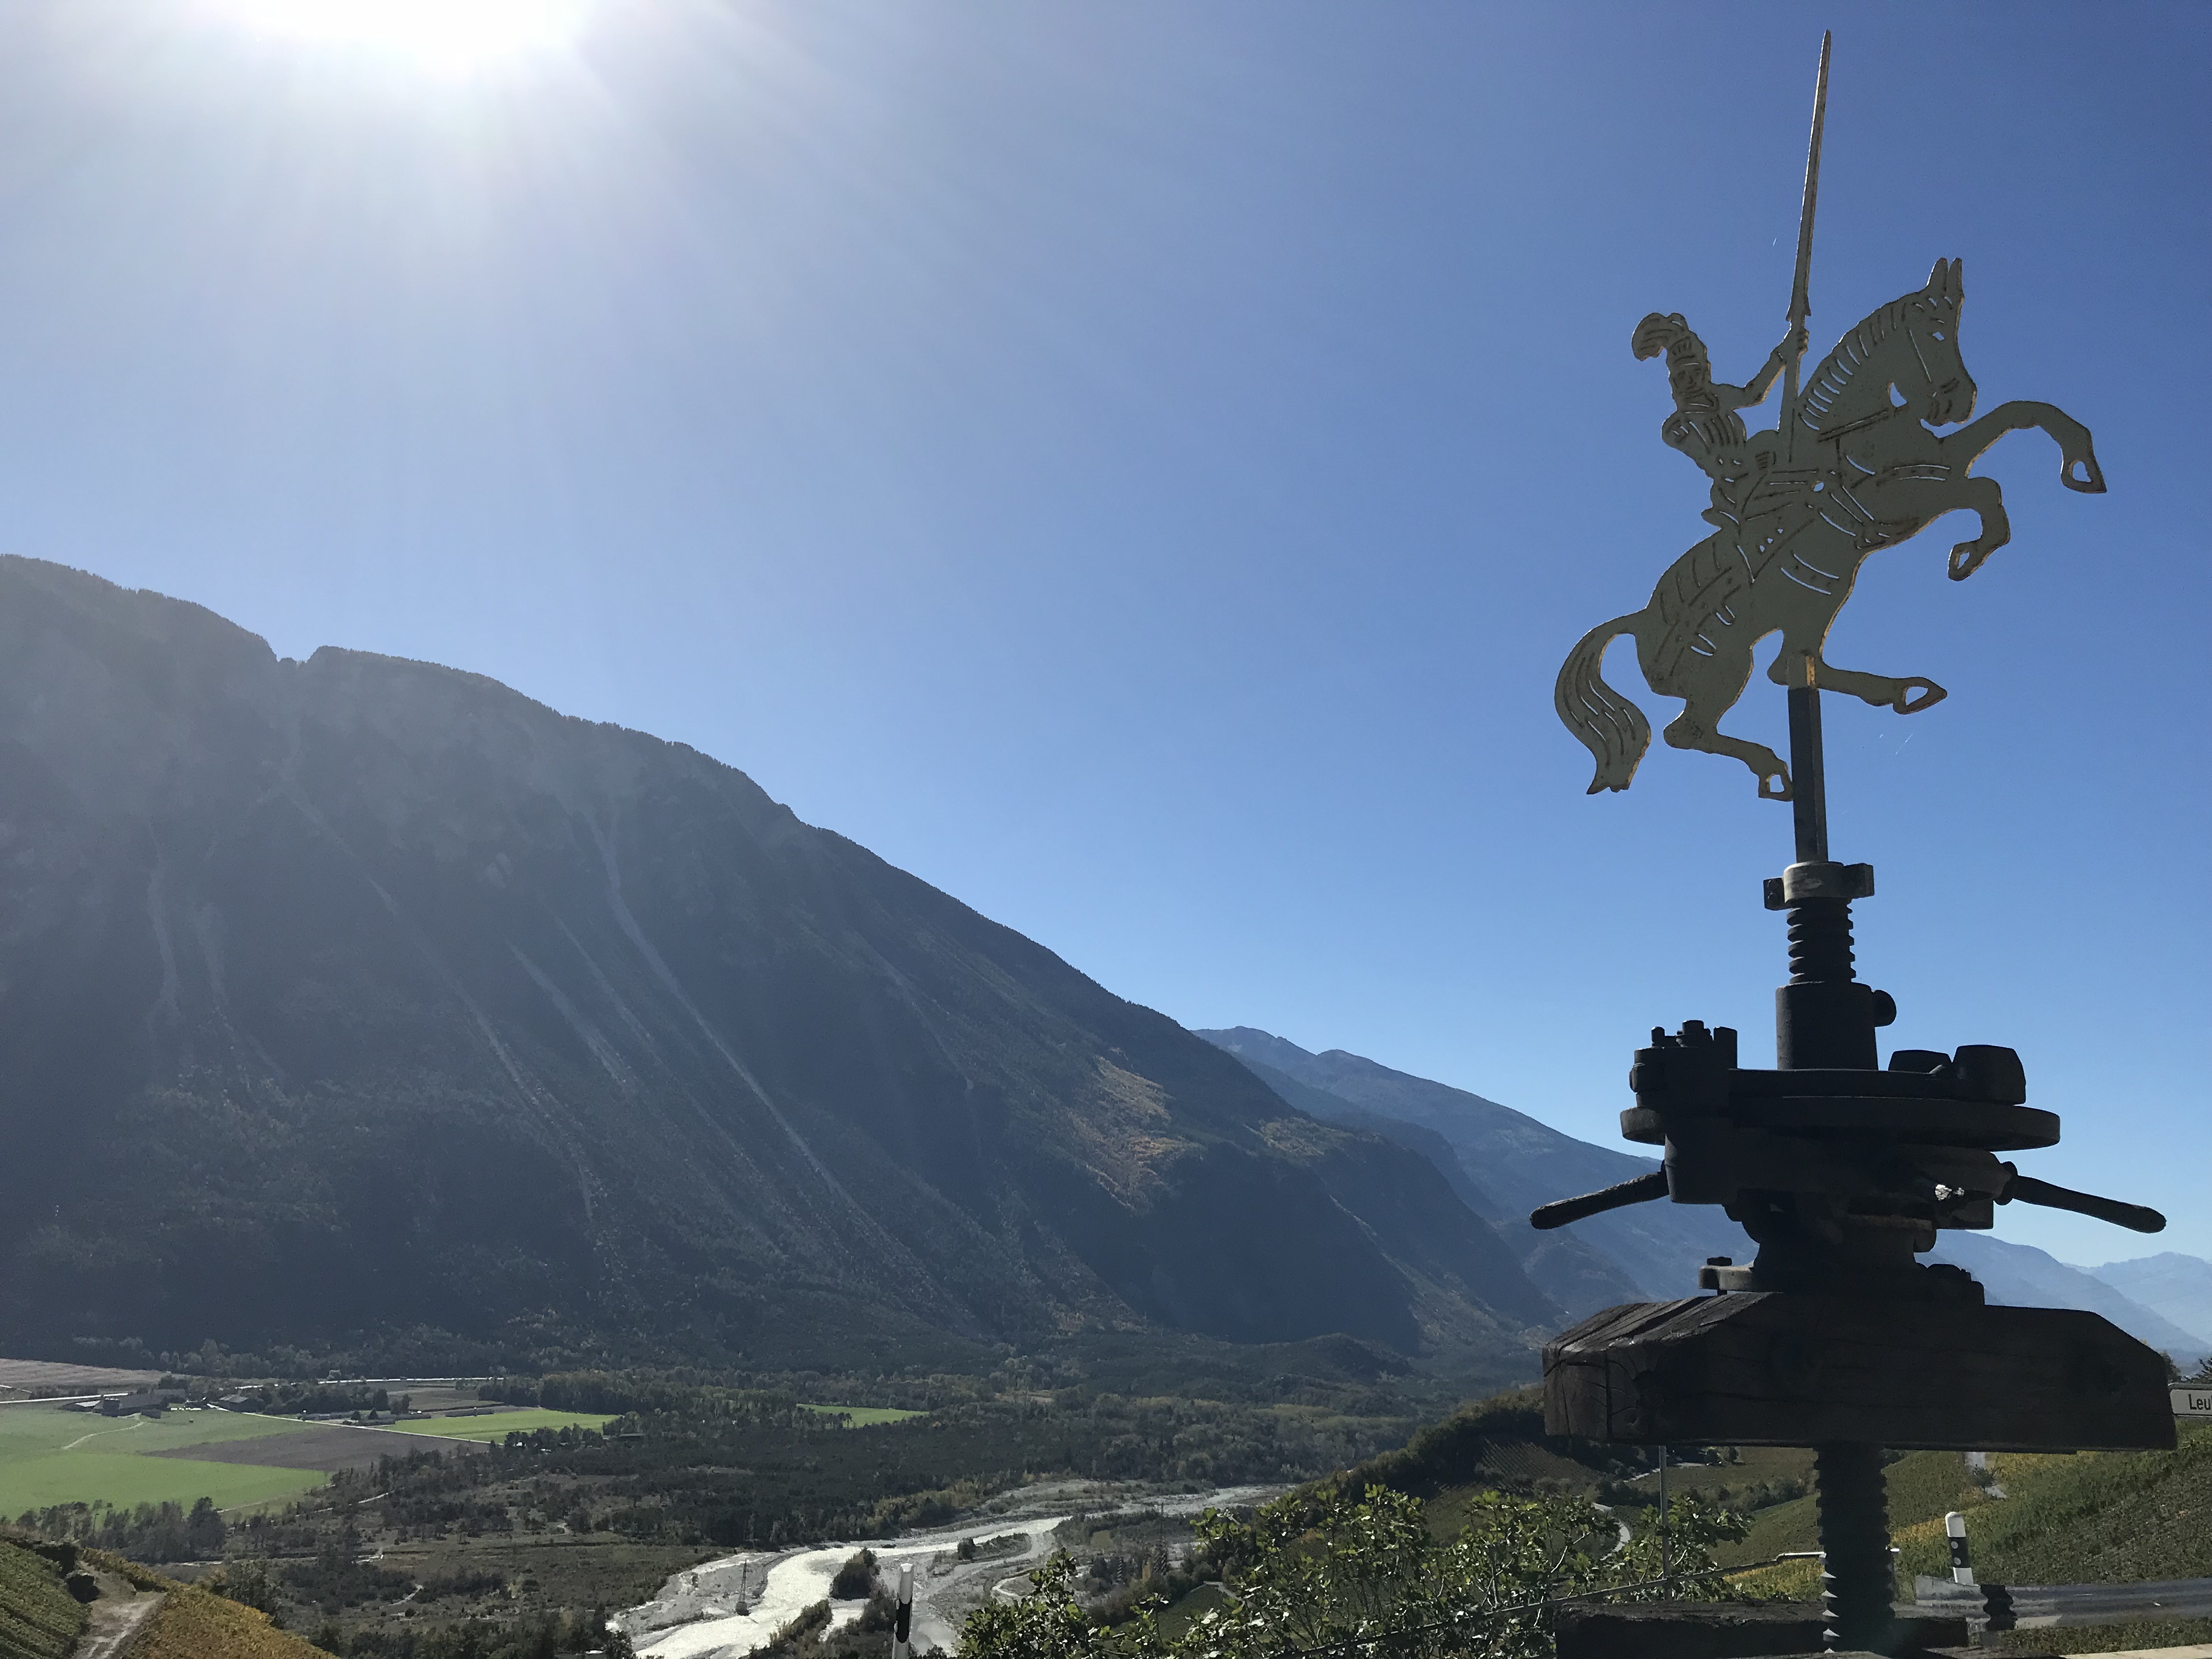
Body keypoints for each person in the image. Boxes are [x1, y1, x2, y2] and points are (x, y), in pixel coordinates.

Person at [1632, 313, 1809, 530]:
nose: (1691, 381)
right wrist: (1752, 462)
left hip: (1759, 469)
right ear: (1674, 381)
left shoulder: (1719, 397)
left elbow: (1753, 394)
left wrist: (1784, 353)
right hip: (1732, 491)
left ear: (1706, 372)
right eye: (1682, 376)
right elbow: (1716, 463)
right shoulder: (1678, 428)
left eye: (1696, 372)